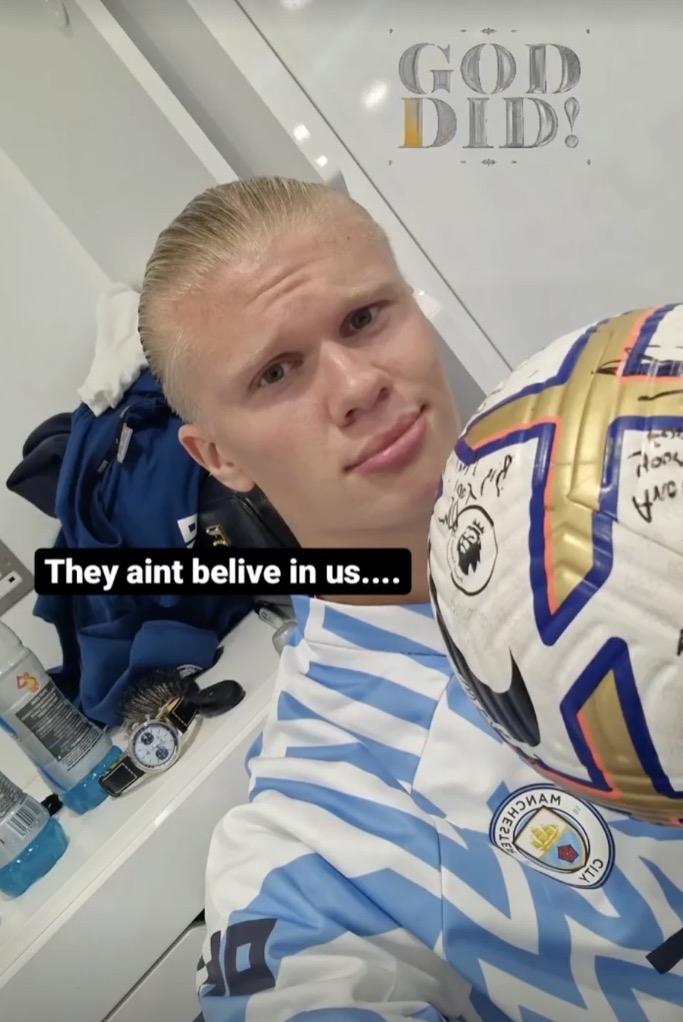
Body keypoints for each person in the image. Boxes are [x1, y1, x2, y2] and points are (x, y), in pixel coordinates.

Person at [138, 178, 683, 1021]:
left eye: (363, 318)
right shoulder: (316, 823)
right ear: (219, 457)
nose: (357, 384)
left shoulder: (646, 435)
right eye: (277, 372)